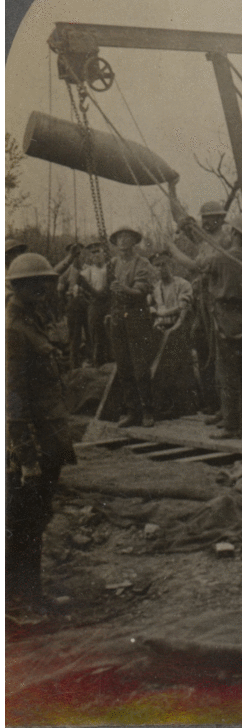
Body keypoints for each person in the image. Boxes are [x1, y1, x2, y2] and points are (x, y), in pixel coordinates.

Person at [6, 253, 77, 611]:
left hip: (48, 436)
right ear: (17, 287)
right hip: (33, 444)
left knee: (34, 519)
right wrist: (26, 456)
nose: (42, 288)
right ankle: (26, 598)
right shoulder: (14, 329)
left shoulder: (31, 319)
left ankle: (24, 594)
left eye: (45, 281)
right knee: (26, 522)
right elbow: (13, 399)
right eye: (33, 283)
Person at [165, 199, 232, 417]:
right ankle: (211, 401)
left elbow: (196, 266)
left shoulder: (224, 240)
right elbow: (182, 221)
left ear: (220, 219)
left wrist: (173, 250)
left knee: (217, 349)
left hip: (216, 300)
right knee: (202, 345)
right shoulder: (204, 238)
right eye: (203, 218)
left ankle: (224, 405)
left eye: (210, 219)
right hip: (202, 298)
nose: (205, 223)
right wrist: (172, 191)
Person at [205, 215, 242, 439]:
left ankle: (231, 426)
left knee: (228, 374)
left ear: (235, 234)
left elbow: (210, 281)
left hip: (227, 319)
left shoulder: (221, 258)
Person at [107, 226, 155, 428]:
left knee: (140, 367)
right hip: (119, 317)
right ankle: (132, 411)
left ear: (134, 242)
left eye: (127, 238)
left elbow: (142, 290)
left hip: (137, 316)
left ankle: (148, 411)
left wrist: (124, 288)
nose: (123, 241)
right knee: (124, 366)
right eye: (119, 238)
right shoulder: (114, 263)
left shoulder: (142, 263)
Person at [148, 250, 198, 419]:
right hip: (162, 329)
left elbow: (183, 310)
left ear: (171, 265)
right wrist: (156, 319)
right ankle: (164, 403)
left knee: (180, 365)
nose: (161, 269)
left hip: (179, 330)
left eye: (164, 264)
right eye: (157, 266)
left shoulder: (182, 284)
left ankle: (187, 404)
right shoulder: (155, 288)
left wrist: (170, 324)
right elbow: (153, 308)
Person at [58, 242, 91, 368]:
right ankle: (74, 364)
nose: (78, 255)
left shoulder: (88, 268)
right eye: (75, 253)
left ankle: (91, 361)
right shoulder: (67, 271)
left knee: (90, 333)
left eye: (80, 252)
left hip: (87, 303)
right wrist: (66, 305)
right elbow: (60, 290)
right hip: (73, 304)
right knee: (75, 336)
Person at [80, 242, 111, 366]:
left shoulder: (109, 268)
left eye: (98, 251)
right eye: (93, 253)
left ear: (104, 253)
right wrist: (94, 293)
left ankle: (111, 358)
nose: (96, 255)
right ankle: (97, 360)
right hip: (95, 303)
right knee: (95, 330)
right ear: (90, 256)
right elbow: (82, 285)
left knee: (109, 329)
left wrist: (104, 292)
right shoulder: (88, 271)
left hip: (108, 302)